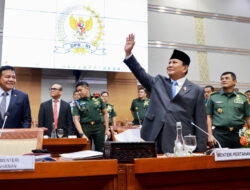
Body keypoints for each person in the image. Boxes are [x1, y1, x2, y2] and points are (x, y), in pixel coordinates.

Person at [124, 34, 207, 153]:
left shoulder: (196, 90)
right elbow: (140, 72)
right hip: (153, 135)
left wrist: (200, 150)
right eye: (169, 62)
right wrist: (128, 54)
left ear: (185, 68)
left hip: (180, 138)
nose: (170, 65)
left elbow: (200, 122)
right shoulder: (158, 82)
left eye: (174, 62)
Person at [206, 72, 250, 148]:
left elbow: (248, 117)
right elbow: (208, 117)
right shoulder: (213, 97)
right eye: (222, 79)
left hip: (239, 133)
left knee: (241, 158)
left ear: (234, 81)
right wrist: (210, 135)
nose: (223, 80)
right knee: (220, 158)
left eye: (227, 78)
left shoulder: (242, 98)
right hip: (220, 134)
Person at [73, 81, 110, 152]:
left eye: (80, 90)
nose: (79, 93)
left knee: (101, 151)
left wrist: (107, 129)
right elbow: (76, 120)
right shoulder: (77, 102)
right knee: (85, 151)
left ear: (87, 88)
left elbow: (105, 113)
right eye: (77, 91)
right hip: (85, 128)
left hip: (99, 127)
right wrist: (82, 134)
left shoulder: (98, 99)